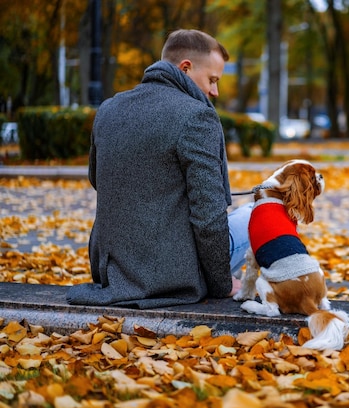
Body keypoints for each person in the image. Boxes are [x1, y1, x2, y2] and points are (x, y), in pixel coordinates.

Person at [67, 29, 251, 309]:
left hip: (113, 269)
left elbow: (98, 179)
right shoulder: (196, 116)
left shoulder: (108, 108)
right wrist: (221, 285)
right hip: (172, 272)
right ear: (186, 68)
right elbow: (209, 216)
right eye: (212, 80)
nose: (214, 92)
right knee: (256, 214)